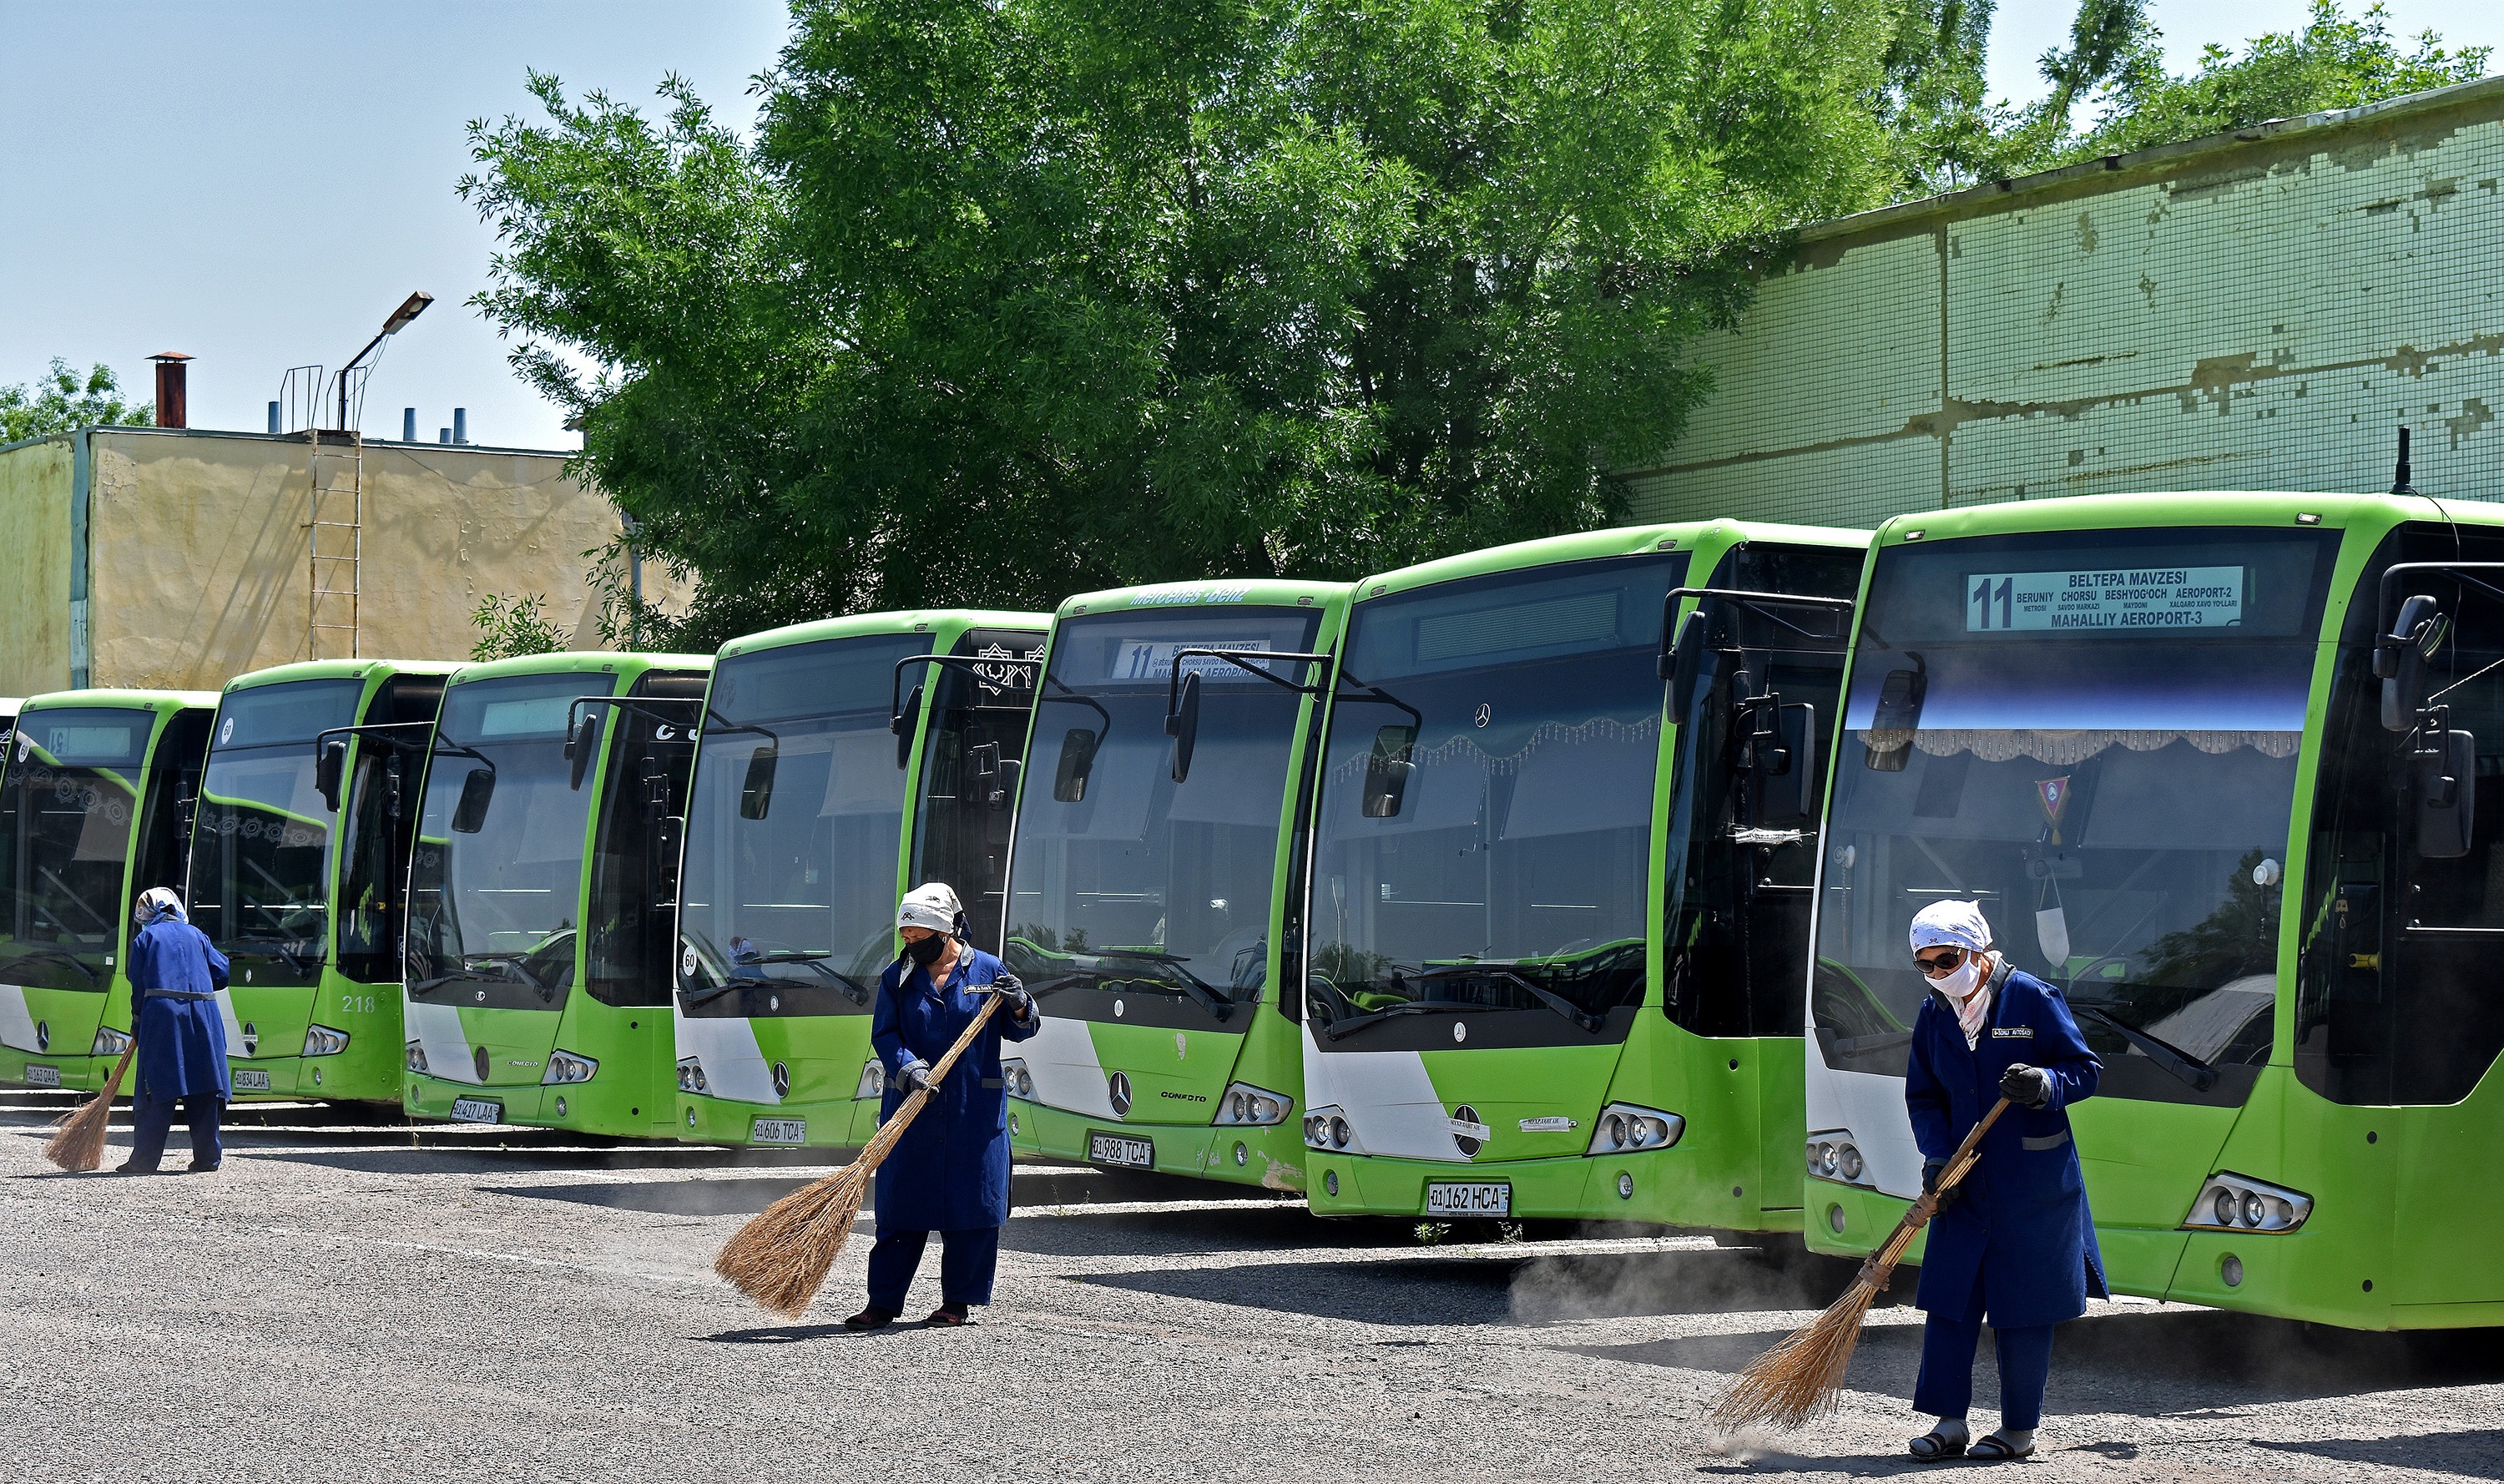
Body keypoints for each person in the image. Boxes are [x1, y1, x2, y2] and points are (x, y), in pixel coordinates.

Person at [1901, 899, 2103, 1462]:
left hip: (2032, 1185)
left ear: (1979, 951)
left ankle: (2018, 1431)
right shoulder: (1935, 1013)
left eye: (1949, 959)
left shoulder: (2033, 998)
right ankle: (1950, 1424)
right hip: (1963, 1183)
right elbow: (1923, 1096)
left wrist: (2043, 1082)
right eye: (1927, 964)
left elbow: (2085, 1070)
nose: (1941, 973)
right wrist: (1938, 1159)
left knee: (2024, 1307)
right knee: (1950, 1300)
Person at [846, 882, 1040, 1330]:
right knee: (900, 1209)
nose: (910, 944)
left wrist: (1018, 1005)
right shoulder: (897, 978)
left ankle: (958, 1301)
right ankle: (883, 1304)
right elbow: (885, 1036)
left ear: (945, 930)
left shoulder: (988, 970)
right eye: (906, 937)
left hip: (974, 1111)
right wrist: (909, 1068)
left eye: (918, 936)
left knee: (971, 1208)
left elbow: (1023, 1029)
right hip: (911, 1108)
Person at [119, 887, 232, 1175]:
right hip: (204, 1014)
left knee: (156, 1086)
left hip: (163, 1016)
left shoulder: (146, 938)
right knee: (205, 1085)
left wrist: (137, 1022)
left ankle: (144, 1162)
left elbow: (138, 984)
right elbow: (221, 972)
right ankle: (207, 1159)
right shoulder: (197, 935)